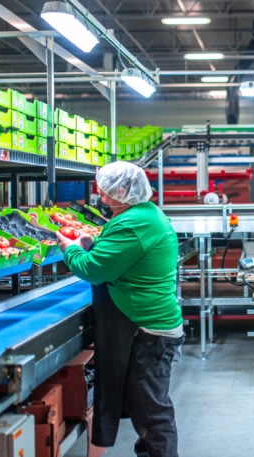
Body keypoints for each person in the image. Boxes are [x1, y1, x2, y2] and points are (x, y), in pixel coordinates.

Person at [57, 161, 184, 457]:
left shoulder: (133, 223)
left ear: (125, 191)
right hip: (150, 326)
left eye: (107, 192)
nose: (101, 198)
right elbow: (121, 251)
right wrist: (96, 240)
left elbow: (94, 269)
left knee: (152, 415)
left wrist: (70, 248)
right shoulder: (142, 215)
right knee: (146, 411)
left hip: (148, 331)